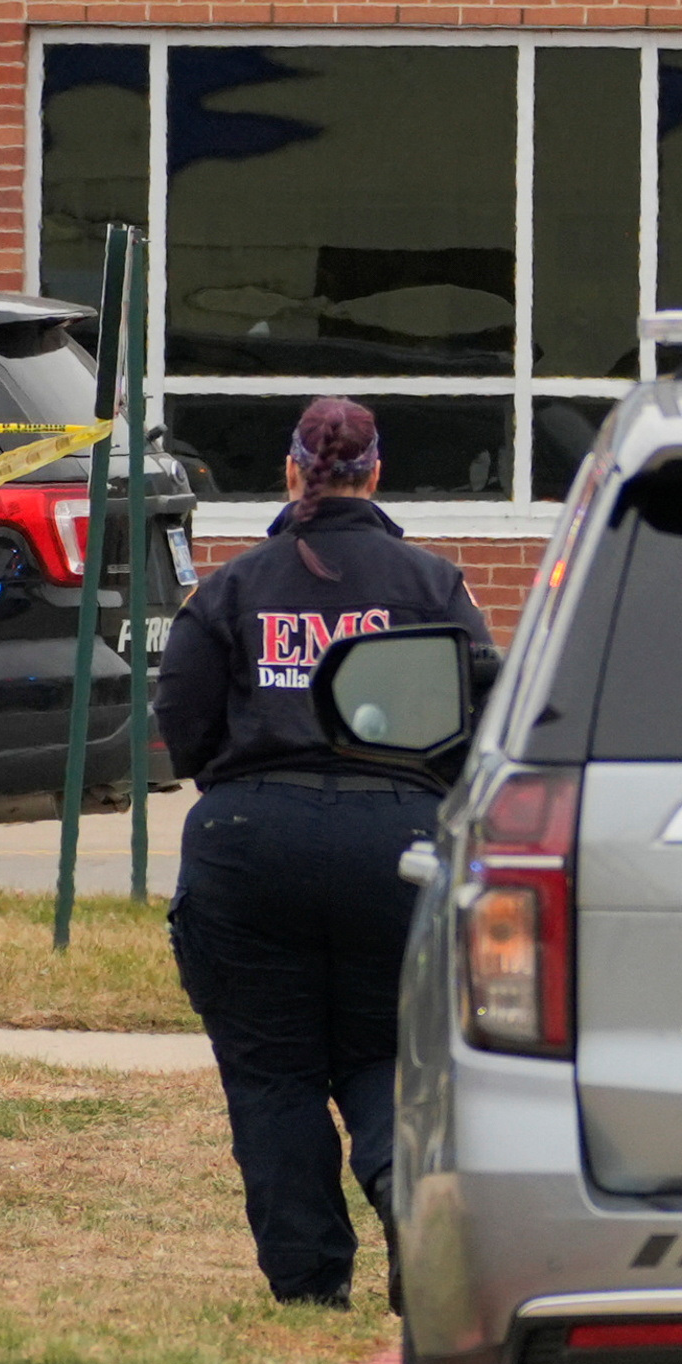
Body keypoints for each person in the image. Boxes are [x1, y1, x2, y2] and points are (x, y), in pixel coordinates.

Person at [154, 395, 488, 1308]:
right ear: (376, 473)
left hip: (250, 844)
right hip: (399, 844)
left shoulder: (232, 588)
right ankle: (408, 1203)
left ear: (292, 470)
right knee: (392, 1053)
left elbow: (180, 725)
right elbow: (481, 721)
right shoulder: (432, 586)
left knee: (274, 1067)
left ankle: (309, 1286)